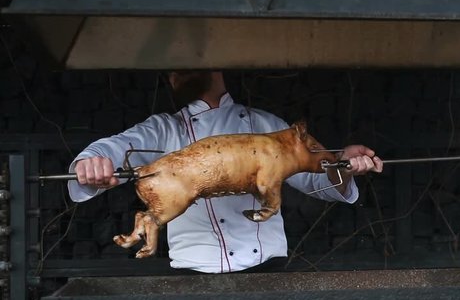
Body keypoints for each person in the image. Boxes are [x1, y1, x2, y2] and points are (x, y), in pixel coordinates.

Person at [68, 71, 383, 273]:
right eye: (174, 67)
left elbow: (322, 183)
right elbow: (117, 146)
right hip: (193, 273)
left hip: (268, 269)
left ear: (218, 66)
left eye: (190, 60)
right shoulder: (163, 130)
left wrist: (343, 162)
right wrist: (92, 159)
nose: (179, 70)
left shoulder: (266, 127)